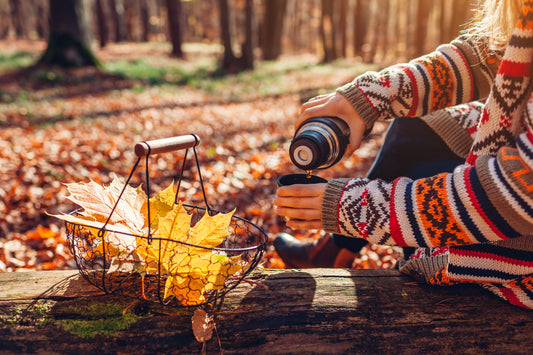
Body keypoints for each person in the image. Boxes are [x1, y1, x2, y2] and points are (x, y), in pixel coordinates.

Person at [274, 0, 533, 309]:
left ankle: (335, 250)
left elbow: (513, 196)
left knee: (418, 187)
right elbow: (485, 54)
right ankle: (335, 250)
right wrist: (368, 98)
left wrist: (354, 209)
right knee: (418, 127)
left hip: (520, 250)